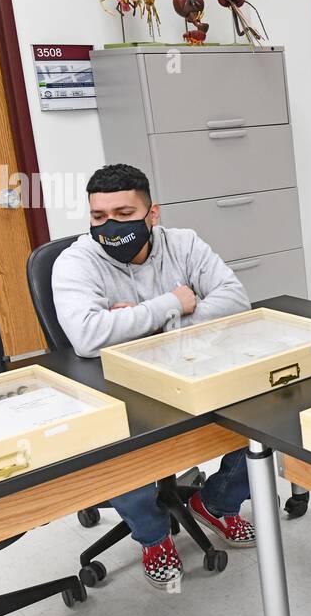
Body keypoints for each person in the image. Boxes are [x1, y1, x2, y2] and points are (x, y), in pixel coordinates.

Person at [52, 163, 257, 589]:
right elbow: (89, 337)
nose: (111, 226)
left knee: (265, 405)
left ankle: (215, 503)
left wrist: (143, 322)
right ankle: (152, 535)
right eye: (99, 217)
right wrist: (172, 303)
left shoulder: (183, 244)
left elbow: (237, 300)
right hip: (117, 382)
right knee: (117, 445)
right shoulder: (75, 262)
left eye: (124, 215)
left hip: (189, 364)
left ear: (152, 214)